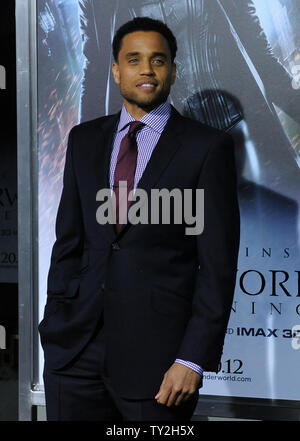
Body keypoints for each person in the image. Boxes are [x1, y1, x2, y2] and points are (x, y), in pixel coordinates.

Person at [38, 17, 240, 421]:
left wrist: (192, 359)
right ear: (116, 70)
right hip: (74, 355)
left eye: (158, 60)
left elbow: (216, 268)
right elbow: (69, 243)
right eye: (133, 59)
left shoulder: (206, 148)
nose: (146, 69)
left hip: (160, 363)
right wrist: (56, 319)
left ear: (173, 71)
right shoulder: (84, 139)